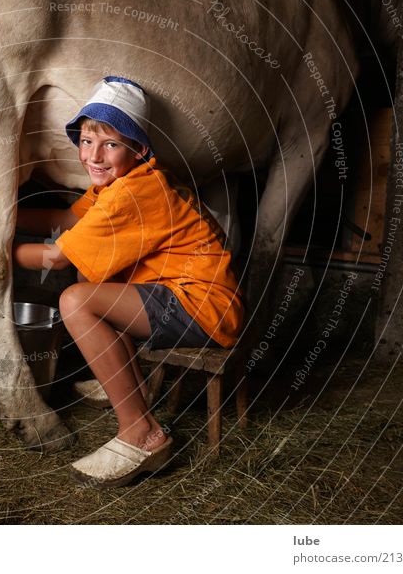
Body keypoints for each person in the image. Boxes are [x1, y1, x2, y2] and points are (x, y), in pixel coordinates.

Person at [13, 76, 243, 487]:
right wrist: (0, 218)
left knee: (77, 301)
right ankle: (126, 380)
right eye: (86, 141)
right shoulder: (121, 182)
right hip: (182, 294)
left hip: (202, 306)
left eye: (110, 144)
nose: (94, 156)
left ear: (138, 149)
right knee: (94, 268)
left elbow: (55, 255)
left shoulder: (133, 194)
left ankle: (143, 433)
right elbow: (68, 221)